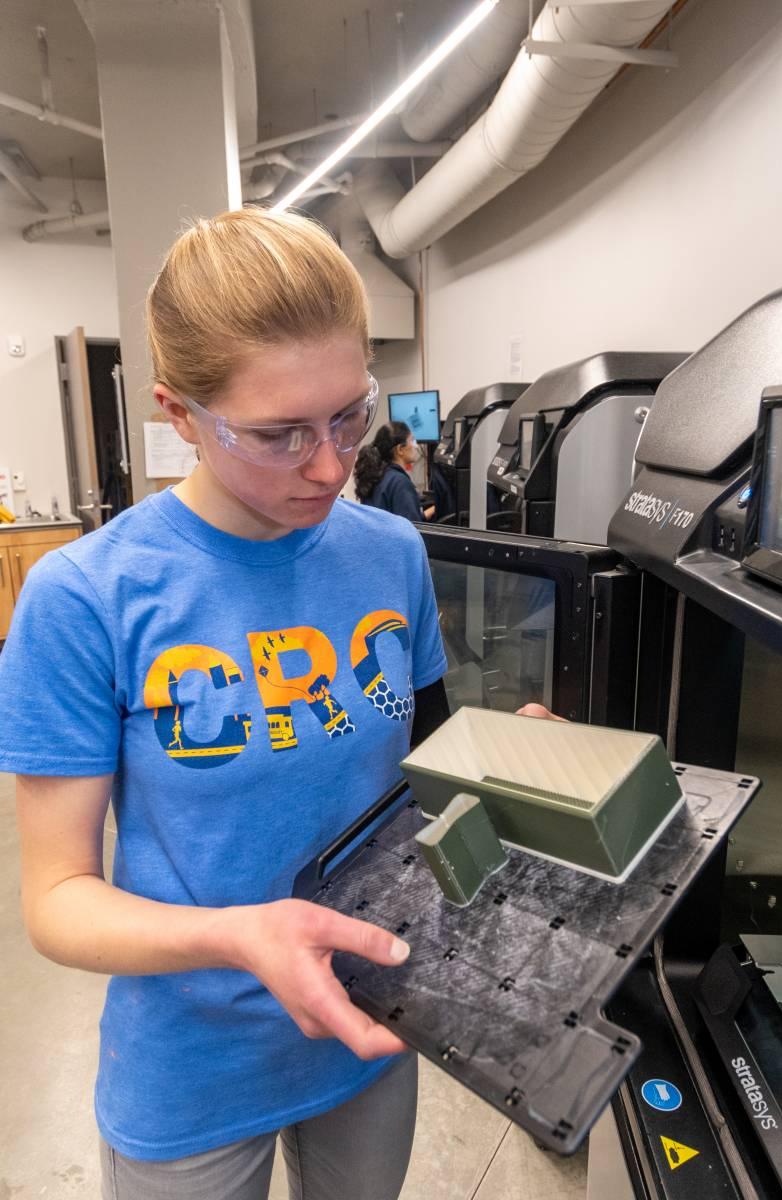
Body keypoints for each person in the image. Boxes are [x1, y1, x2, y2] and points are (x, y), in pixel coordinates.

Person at [1, 208, 452, 1200]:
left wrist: (504, 762)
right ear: (177, 415)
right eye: (278, 434)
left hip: (372, 1019)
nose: (331, 465)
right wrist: (242, 934)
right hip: (196, 1062)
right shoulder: (85, 600)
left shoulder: (389, 554)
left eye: (347, 415)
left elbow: (426, 760)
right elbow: (57, 903)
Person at [353, 422, 435, 522]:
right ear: (400, 449)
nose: (416, 446)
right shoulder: (400, 483)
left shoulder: (375, 475)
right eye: (412, 441)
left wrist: (428, 512)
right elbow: (412, 529)